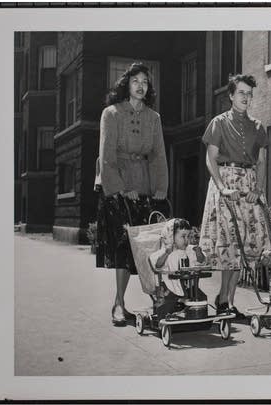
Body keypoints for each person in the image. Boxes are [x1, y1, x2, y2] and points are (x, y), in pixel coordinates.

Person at [94, 62, 168, 326]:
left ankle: (159, 302)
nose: (140, 85)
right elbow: (107, 156)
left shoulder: (154, 118)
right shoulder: (111, 114)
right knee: (123, 248)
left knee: (152, 245)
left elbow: (158, 155)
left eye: (145, 82)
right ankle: (119, 304)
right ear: (126, 84)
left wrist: (160, 188)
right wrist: (122, 189)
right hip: (117, 188)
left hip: (145, 185)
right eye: (135, 80)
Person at [198, 73, 271, 317]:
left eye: (249, 94)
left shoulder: (258, 127)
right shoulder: (218, 123)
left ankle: (226, 302)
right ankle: (224, 300)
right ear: (231, 95)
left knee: (242, 249)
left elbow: (262, 162)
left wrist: (258, 190)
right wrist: (221, 187)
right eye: (241, 92)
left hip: (248, 188)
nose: (246, 98)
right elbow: (211, 159)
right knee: (228, 247)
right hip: (226, 186)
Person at [149, 219, 207, 317]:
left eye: (188, 236)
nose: (186, 240)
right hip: (171, 288)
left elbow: (201, 261)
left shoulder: (190, 250)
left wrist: (198, 253)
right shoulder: (166, 252)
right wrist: (166, 254)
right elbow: (157, 265)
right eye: (183, 236)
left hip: (189, 288)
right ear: (171, 237)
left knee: (201, 297)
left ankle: (198, 317)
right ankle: (164, 317)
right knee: (166, 304)